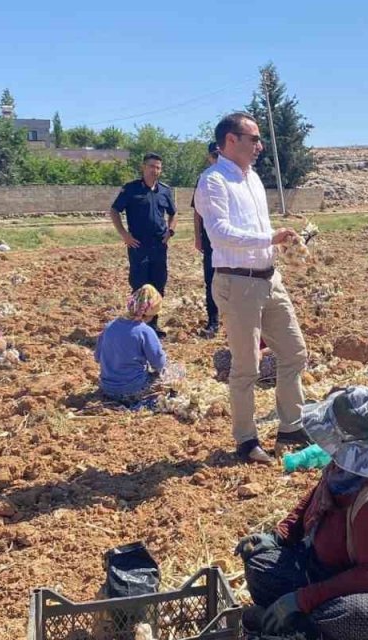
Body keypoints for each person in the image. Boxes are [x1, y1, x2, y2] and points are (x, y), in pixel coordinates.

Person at [237, 386, 368, 639]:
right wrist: (279, 536)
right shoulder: (343, 470)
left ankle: (303, 628)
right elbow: (314, 498)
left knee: (360, 615)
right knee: (261, 565)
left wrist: (303, 599)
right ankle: (303, 624)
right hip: (334, 571)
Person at [196, 112, 310, 465]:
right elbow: (220, 234)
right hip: (237, 282)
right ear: (231, 140)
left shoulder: (255, 179)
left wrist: (282, 239)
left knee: (295, 352)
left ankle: (291, 426)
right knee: (246, 366)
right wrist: (268, 237)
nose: (260, 146)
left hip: (268, 279)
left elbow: (255, 228)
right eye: (253, 139)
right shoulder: (213, 181)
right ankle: (246, 441)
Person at [108, 152, 177, 338]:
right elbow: (114, 211)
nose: (155, 171)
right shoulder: (131, 189)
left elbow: (173, 213)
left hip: (159, 246)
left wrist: (170, 232)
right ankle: (137, 325)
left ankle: (153, 325)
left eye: (158, 168)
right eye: (151, 166)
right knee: (139, 284)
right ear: (143, 167)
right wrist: (124, 235)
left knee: (158, 283)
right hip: (138, 245)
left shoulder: (165, 190)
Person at [95, 285, 168, 404]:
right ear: (150, 313)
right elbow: (159, 362)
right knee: (172, 380)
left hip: (107, 387)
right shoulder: (145, 331)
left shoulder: (109, 326)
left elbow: (98, 357)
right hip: (133, 389)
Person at [192, 142, 222, 338]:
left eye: (220, 153)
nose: (217, 157)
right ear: (209, 157)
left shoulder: (236, 176)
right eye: (214, 154)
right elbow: (197, 212)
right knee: (211, 281)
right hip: (211, 241)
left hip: (232, 242)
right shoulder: (205, 179)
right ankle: (213, 322)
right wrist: (197, 237)